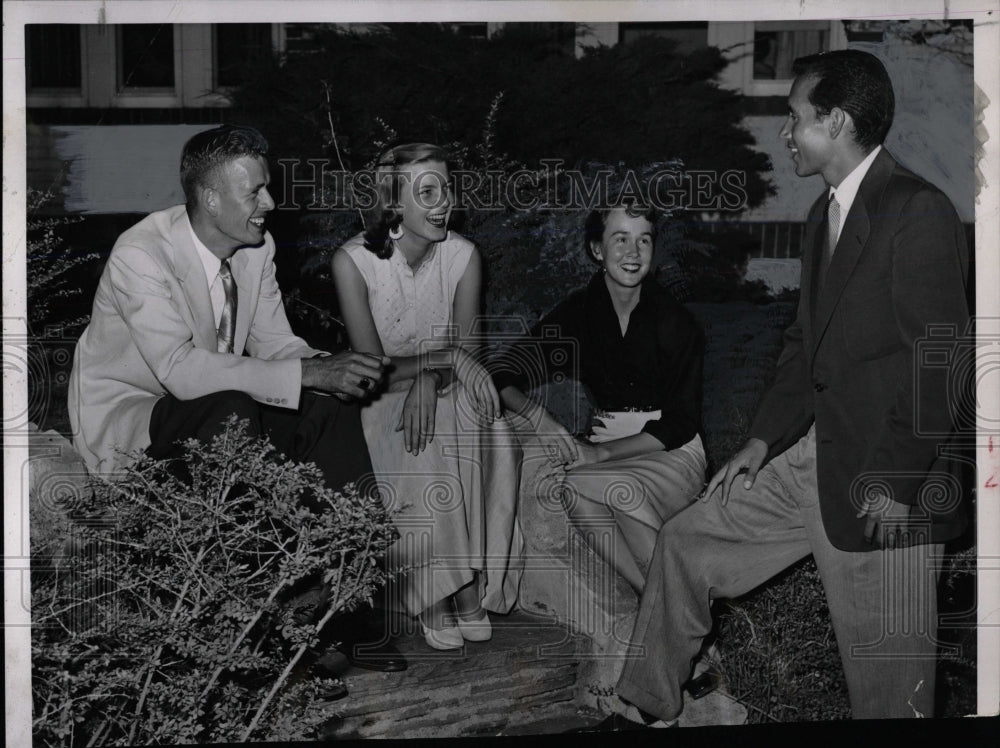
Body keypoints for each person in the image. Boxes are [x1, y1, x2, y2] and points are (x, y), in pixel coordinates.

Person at [589, 50, 970, 730]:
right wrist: (761, 440)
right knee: (686, 541)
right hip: (813, 457)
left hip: (887, 482)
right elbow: (805, 352)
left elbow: (941, 358)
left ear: (838, 120)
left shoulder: (917, 209)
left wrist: (894, 479)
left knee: (887, 703)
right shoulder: (823, 216)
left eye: (795, 118)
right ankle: (647, 703)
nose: (786, 134)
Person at [68, 124, 407, 673]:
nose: (270, 203)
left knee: (325, 403)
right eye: (255, 192)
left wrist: (329, 368)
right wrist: (307, 374)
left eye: (266, 188)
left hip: (217, 404)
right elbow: (179, 371)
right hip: (136, 415)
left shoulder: (254, 249)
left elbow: (276, 345)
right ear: (209, 197)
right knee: (235, 408)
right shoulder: (141, 254)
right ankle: (253, 633)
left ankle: (345, 611)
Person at [331, 142, 523, 650]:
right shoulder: (352, 263)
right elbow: (370, 369)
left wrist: (434, 373)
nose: (444, 202)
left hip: (441, 389)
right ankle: (440, 593)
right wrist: (444, 360)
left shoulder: (463, 256)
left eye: (446, 188)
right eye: (428, 192)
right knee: (421, 431)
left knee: (483, 416)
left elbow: (469, 357)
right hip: (375, 402)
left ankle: (465, 581)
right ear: (394, 204)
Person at [490, 203, 707, 593]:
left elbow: (682, 421)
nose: (633, 252)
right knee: (575, 491)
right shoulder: (578, 314)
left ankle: (676, 609)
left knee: (614, 489)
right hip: (607, 443)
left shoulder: (677, 321)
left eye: (643, 240)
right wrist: (540, 418)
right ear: (596, 249)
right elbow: (503, 373)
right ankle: (666, 605)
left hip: (670, 451)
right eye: (619, 239)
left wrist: (601, 454)